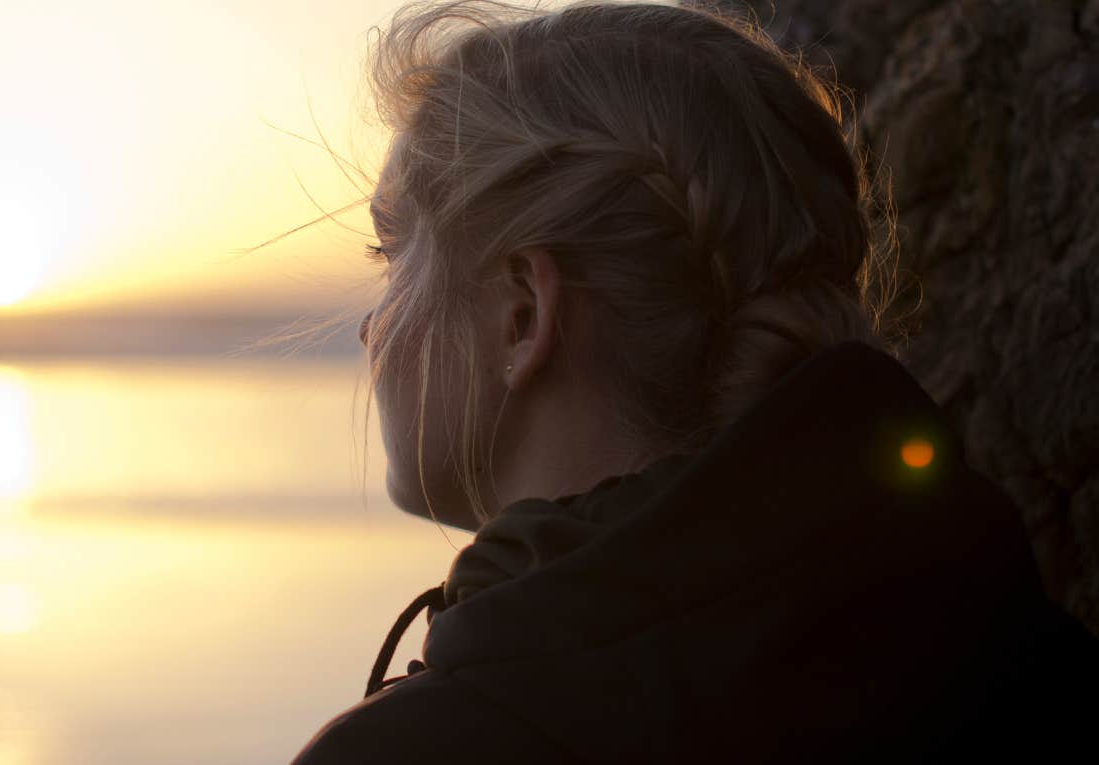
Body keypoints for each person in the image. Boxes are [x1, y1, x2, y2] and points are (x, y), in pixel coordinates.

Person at [290, 1, 1099, 762]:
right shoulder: (1024, 652)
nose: (372, 325)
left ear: (522, 314)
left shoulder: (419, 751)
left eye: (392, 255)